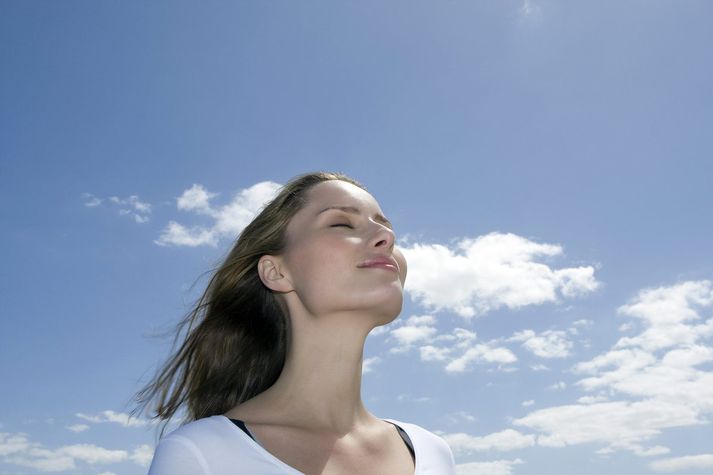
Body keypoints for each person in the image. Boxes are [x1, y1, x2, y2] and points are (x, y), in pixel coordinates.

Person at [137, 172, 456, 474]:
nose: (387, 235)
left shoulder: (432, 453)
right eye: (342, 223)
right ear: (276, 272)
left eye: (386, 227)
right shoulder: (201, 454)